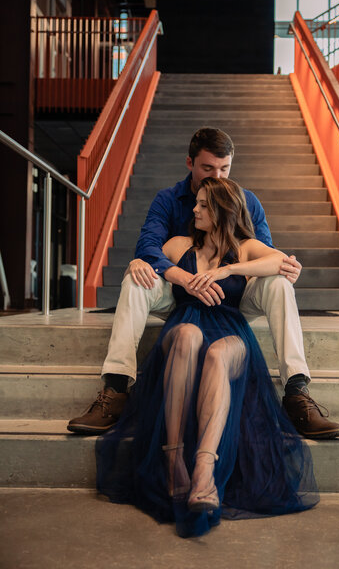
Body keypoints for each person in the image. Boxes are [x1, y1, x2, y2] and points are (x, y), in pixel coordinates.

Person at [68, 127, 339, 440]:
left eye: (224, 168)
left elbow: (266, 257)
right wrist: (184, 278)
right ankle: (116, 389)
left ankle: (296, 393)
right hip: (179, 292)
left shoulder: (245, 200)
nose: (218, 175)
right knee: (135, 277)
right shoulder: (169, 201)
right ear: (190, 163)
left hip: (233, 295)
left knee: (280, 283)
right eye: (208, 168)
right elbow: (148, 248)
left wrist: (242, 270)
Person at [96, 177, 320, 538]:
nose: (194, 209)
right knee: (187, 335)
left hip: (231, 331)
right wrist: (136, 263)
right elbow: (145, 262)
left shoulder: (245, 248)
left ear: (221, 210)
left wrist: (228, 269)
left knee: (216, 353)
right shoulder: (179, 243)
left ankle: (203, 470)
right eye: (196, 202)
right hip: (185, 323)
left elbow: (279, 260)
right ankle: (173, 459)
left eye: (202, 204)